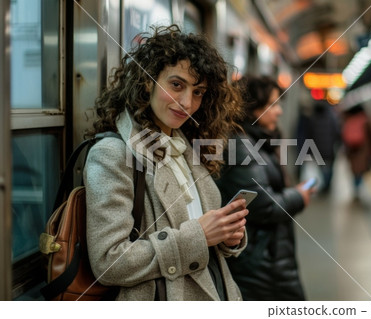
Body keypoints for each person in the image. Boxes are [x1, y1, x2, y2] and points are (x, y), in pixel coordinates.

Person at [83, 25, 248, 301]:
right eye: (176, 85)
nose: (187, 102)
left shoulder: (185, 148)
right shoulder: (113, 154)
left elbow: (204, 232)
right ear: (147, 82)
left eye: (198, 92)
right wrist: (199, 236)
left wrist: (229, 237)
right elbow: (108, 262)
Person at [215, 75, 314, 301]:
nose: (279, 112)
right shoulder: (241, 145)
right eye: (273, 104)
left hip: (266, 253)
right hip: (258, 259)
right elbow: (263, 206)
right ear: (252, 108)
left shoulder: (255, 140)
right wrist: (299, 196)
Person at [304, 101, 341, 193]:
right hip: (329, 149)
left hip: (317, 150)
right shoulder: (331, 118)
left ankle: (326, 184)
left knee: (322, 167)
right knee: (329, 168)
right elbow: (337, 133)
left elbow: (309, 135)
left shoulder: (313, 119)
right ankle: (327, 185)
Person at [341, 104, 371, 199]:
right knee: (360, 170)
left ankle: (356, 188)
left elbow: (343, 135)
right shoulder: (366, 120)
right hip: (362, 150)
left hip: (352, 150)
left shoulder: (349, 120)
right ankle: (357, 187)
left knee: (354, 170)